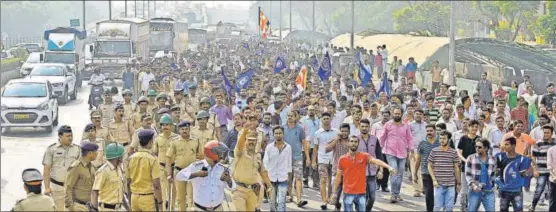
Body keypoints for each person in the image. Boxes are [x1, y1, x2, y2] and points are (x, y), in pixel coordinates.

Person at [331, 135, 396, 212]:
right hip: (348, 193)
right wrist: (334, 193)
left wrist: (388, 167)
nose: (353, 143)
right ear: (348, 143)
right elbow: (338, 177)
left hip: (361, 193)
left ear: (358, 144)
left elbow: (375, 161)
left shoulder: (364, 156)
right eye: (351, 141)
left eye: (355, 142)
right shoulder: (342, 159)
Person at [175, 141, 232, 211]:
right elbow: (179, 176)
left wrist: (229, 180)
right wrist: (197, 174)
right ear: (212, 153)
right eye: (220, 153)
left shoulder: (223, 169)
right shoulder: (196, 166)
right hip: (199, 209)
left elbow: (233, 188)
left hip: (218, 209)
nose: (222, 156)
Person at [231, 128, 272, 211]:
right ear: (245, 140)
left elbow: (262, 172)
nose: (251, 142)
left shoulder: (258, 156)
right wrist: (245, 131)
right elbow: (239, 145)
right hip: (239, 190)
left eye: (253, 140)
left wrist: (269, 185)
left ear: (256, 142)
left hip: (253, 191)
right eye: (249, 140)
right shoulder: (240, 152)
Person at [378, 107, 413, 203]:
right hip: (390, 152)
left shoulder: (406, 125)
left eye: (399, 113)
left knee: (400, 173)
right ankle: (393, 194)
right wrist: (379, 149)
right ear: (392, 114)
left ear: (401, 114)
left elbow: (409, 138)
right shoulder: (388, 124)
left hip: (402, 153)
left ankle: (397, 193)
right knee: (394, 171)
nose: (397, 115)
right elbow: (382, 137)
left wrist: (411, 150)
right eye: (395, 113)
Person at [42, 125, 81, 211]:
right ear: (60, 136)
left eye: (71, 136)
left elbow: (80, 169)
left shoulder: (77, 149)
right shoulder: (52, 149)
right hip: (56, 188)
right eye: (67, 136)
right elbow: (46, 169)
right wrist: (47, 188)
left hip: (71, 188)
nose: (70, 138)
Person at [166, 121, 203, 211]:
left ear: (189, 129)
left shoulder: (196, 140)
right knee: (180, 198)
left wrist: (201, 171)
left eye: (186, 129)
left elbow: (201, 156)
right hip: (179, 172)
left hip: (192, 172)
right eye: (182, 129)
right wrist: (169, 174)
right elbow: (168, 158)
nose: (184, 131)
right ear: (179, 130)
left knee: (192, 197)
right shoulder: (174, 142)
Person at [126, 129, 163, 211]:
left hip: (134, 197)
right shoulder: (153, 159)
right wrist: (160, 203)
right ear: (150, 142)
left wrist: (130, 200)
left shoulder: (130, 158)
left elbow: (128, 182)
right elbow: (156, 184)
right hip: (148, 199)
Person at [495, 137, 532, 212]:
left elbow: (525, 174)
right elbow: (496, 172)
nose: (504, 146)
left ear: (513, 146)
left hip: (517, 191)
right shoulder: (500, 157)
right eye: (504, 144)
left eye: (507, 144)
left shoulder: (521, 158)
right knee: (503, 210)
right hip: (503, 191)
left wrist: (529, 169)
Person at [311, 112, 339, 210]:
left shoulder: (336, 132)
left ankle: (330, 198)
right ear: (321, 120)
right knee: (323, 180)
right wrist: (313, 161)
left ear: (331, 119)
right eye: (324, 118)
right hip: (322, 159)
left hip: (333, 159)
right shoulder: (317, 133)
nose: (326, 120)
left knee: (332, 181)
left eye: (328, 118)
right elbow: (315, 148)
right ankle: (323, 201)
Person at [91, 143, 130, 211]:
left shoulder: (119, 169)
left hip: (119, 208)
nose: (123, 158)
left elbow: (120, 192)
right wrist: (94, 209)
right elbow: (94, 192)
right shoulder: (103, 171)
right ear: (118, 157)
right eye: (122, 156)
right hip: (106, 209)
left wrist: (128, 208)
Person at [428, 131, 461, 212]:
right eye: (440, 138)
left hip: (450, 184)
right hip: (438, 184)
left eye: (444, 138)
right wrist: (434, 180)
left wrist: (459, 183)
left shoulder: (453, 152)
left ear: (448, 140)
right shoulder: (434, 151)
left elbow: (457, 168)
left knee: (449, 208)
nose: (441, 140)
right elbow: (429, 166)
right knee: (437, 207)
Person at [283, 111, 310, 207]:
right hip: (285, 158)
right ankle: (290, 196)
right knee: (288, 179)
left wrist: (307, 157)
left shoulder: (300, 129)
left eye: (292, 116)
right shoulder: (282, 128)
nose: (290, 117)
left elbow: (304, 143)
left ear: (295, 117)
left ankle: (299, 199)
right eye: (288, 116)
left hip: (297, 158)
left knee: (298, 178)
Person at [153, 115, 179, 211]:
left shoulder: (177, 138)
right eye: (163, 125)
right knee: (163, 190)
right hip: (161, 166)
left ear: (171, 126)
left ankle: (172, 208)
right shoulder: (157, 138)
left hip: (174, 166)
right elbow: (155, 153)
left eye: (167, 124)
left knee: (174, 190)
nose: (165, 126)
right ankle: (163, 209)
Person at [264, 126, 292, 211]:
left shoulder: (288, 147)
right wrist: (265, 180)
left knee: (281, 202)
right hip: (271, 179)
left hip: (283, 178)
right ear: (273, 134)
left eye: (280, 133)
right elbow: (265, 163)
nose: (278, 135)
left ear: (283, 134)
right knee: (272, 203)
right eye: (276, 133)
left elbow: (289, 164)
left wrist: (289, 180)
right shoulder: (269, 147)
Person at [64, 141, 99, 211]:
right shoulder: (76, 167)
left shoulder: (92, 167)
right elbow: (68, 187)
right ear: (90, 153)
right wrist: (70, 207)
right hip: (78, 207)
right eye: (96, 151)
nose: (97, 153)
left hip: (90, 207)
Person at [465, 138, 496, 212]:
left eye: (479, 147)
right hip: (474, 191)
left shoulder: (493, 159)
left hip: (489, 192)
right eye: (475, 146)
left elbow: (493, 175)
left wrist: (493, 186)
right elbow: (467, 175)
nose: (477, 148)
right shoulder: (470, 158)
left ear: (486, 148)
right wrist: (474, 186)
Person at [529, 125, 555, 212]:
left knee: (553, 192)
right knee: (539, 189)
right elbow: (533, 158)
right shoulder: (538, 143)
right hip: (541, 171)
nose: (546, 134)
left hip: (552, 172)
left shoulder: (554, 144)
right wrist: (535, 170)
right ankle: (533, 206)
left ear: (552, 133)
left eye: (548, 133)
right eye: (544, 132)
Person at [414, 124, 440, 212]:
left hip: (439, 172)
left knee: (438, 194)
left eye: (431, 131)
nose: (429, 132)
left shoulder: (440, 142)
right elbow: (418, 160)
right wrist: (415, 173)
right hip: (425, 172)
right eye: (427, 131)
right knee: (428, 194)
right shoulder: (422, 143)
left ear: (435, 131)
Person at [457, 119, 481, 211]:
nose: (474, 128)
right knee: (464, 189)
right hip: (465, 168)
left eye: (476, 127)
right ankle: (463, 207)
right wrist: (466, 160)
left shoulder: (479, 139)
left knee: (475, 188)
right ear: (468, 127)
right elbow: (459, 152)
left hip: (476, 168)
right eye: (472, 126)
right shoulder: (463, 138)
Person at [547, 140, 556, 211]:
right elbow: (549, 165)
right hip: (554, 179)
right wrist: (554, 176)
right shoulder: (551, 150)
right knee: (553, 201)